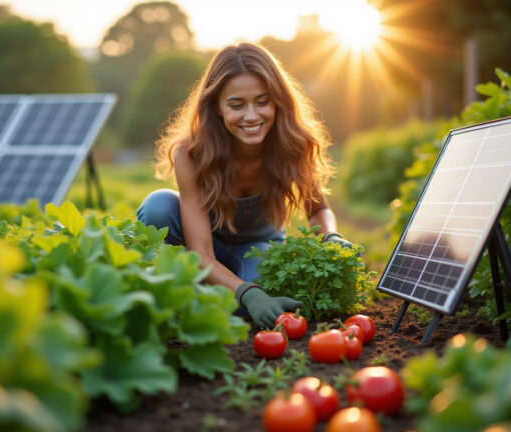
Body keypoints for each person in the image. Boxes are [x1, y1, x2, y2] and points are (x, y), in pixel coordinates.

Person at [136, 42, 354, 328]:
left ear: (277, 101)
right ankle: (190, 285)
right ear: (216, 107)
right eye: (237, 105)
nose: (252, 116)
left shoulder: (293, 143)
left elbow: (318, 209)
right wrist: (247, 294)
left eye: (262, 102)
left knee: (250, 298)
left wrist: (331, 237)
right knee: (158, 206)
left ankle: (198, 291)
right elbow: (200, 251)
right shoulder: (190, 152)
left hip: (258, 247)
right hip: (203, 246)